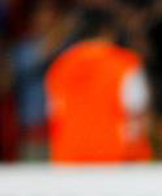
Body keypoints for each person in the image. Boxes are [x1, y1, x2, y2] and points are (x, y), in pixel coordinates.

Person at [45, 8, 152, 163]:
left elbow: (54, 115)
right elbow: (138, 115)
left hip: (69, 160)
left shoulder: (60, 66)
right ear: (107, 30)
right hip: (115, 159)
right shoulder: (124, 63)